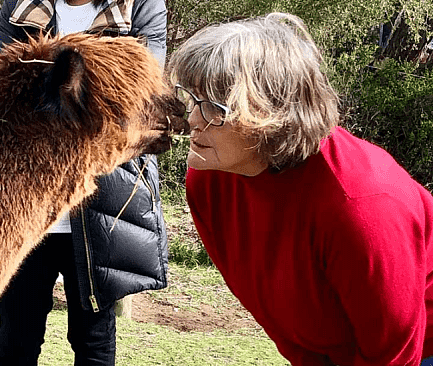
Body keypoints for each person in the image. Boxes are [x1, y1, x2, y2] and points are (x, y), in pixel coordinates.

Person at [169, 12, 433, 366]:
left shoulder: (361, 206)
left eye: (214, 109)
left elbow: (394, 354)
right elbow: (278, 315)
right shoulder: (210, 179)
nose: (192, 120)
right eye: (192, 98)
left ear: (272, 116)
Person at [0, 0, 169, 365]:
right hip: (27, 203)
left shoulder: (141, 5)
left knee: (93, 338)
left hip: (104, 201)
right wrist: (70, 83)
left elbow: (139, 89)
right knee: (16, 335)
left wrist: (37, 74)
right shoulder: (22, 5)